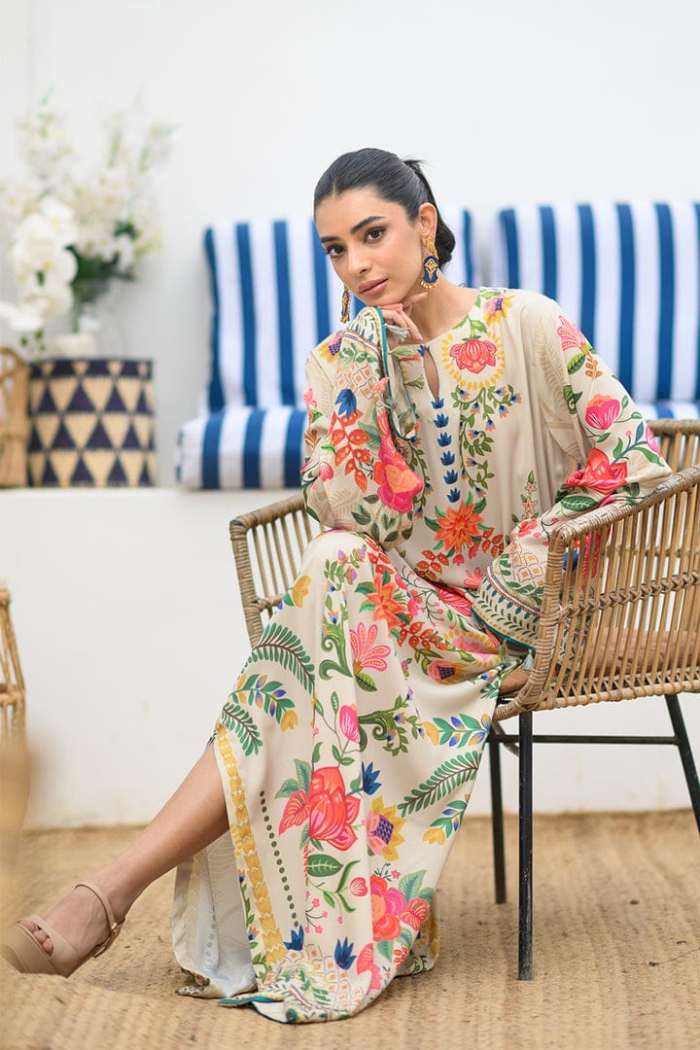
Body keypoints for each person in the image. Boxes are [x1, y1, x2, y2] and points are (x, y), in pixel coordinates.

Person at [1, 148, 671, 1023]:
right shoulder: (337, 362)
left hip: (527, 620)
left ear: (424, 225)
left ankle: (108, 889)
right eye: (335, 250)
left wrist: (533, 559)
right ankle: (113, 893)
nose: (356, 265)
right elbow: (355, 517)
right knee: (336, 569)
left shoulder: (528, 324)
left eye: (372, 235)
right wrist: (374, 377)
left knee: (319, 608)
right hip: (393, 624)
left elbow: (635, 461)